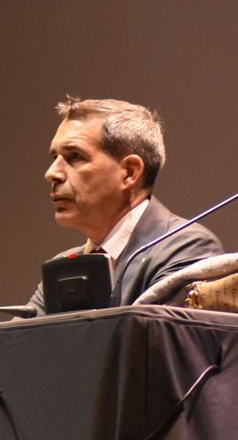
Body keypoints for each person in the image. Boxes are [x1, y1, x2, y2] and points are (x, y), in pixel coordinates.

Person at [28, 97, 222, 313]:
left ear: (129, 172)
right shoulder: (63, 266)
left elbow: (149, 344)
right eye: (54, 157)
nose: (51, 173)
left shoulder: (185, 249)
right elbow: (12, 345)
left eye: (75, 156)